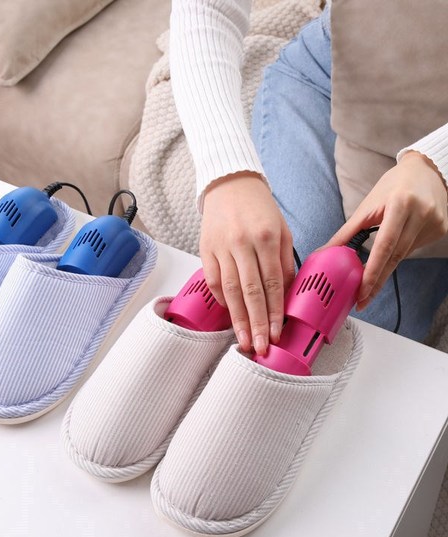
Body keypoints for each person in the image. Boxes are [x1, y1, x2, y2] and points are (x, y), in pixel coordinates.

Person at [170, 0, 448, 354]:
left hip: (435, 138)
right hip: (334, 71)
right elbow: (207, 9)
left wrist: (438, 165)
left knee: (345, 334)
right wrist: (227, 176)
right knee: (269, 274)